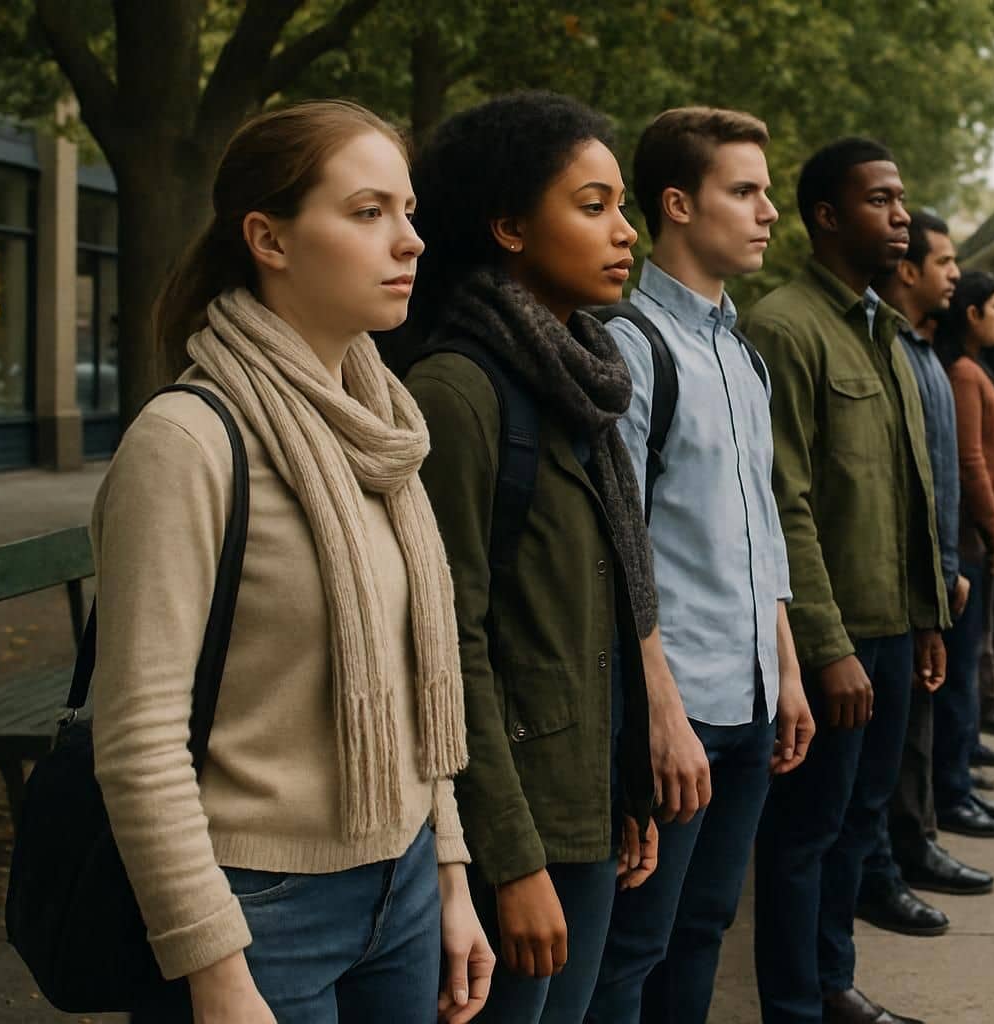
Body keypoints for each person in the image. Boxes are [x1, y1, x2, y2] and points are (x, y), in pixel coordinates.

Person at [93, 100, 493, 1024]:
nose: (411, 241)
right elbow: (139, 739)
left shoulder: (384, 432)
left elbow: (417, 684)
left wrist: (449, 873)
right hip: (258, 912)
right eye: (368, 212)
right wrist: (214, 967)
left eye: (408, 211)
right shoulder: (188, 442)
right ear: (268, 239)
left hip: (403, 888)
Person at [401, 91, 660, 1024]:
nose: (625, 232)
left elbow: (597, 615)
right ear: (509, 227)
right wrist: (510, 862)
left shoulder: (576, 375)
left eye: (621, 206)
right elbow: (448, 644)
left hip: (581, 801)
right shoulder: (459, 391)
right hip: (515, 826)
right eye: (593, 206)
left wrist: (626, 779)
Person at [586, 105, 816, 1024]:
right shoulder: (629, 346)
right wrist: (659, 714)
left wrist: (786, 671)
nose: (769, 211)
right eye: (745, 191)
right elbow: (618, 548)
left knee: (705, 928)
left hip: (750, 698)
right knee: (631, 950)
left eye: (766, 191)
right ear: (678, 204)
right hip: (675, 710)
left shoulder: (744, 356)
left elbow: (761, 527)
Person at [744, 137, 949, 1024]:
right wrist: (826, 649)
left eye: (901, 199)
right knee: (805, 834)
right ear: (827, 216)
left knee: (860, 822)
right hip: (838, 638)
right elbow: (783, 499)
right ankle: (798, 1005)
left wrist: (928, 615)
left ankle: (835, 987)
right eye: (880, 200)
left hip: (895, 628)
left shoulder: (882, 330)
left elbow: (907, 488)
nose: (901, 215)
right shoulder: (784, 328)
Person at [856, 210, 994, 937]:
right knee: (897, 744)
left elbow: (936, 472)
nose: (955, 274)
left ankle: (909, 846)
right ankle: (893, 861)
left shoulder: (919, 353)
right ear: (908, 270)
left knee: (912, 731)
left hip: (931, 577)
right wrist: (946, 564)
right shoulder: (894, 350)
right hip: (899, 588)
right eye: (944, 262)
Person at [932, 271, 994, 832]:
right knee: (960, 669)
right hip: (966, 543)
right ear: (971, 315)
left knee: (968, 661)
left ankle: (961, 767)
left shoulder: (973, 369)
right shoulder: (963, 374)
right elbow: (970, 462)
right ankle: (953, 790)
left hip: (971, 542)